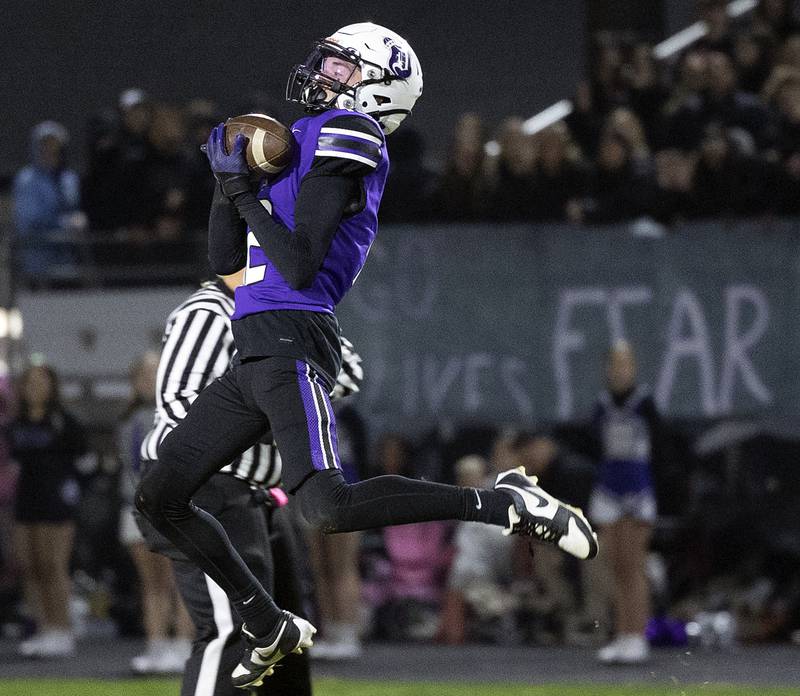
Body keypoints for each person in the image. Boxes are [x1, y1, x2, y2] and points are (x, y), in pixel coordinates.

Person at [135, 22, 598, 691]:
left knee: (325, 508)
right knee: (158, 497)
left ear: (377, 88)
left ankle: (501, 502)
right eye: (325, 60)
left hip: (295, 332)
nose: (322, 71)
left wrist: (242, 194)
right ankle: (267, 624)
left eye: (340, 66)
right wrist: (222, 183)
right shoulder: (308, 142)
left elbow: (297, 266)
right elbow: (225, 263)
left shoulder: (355, 135)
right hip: (257, 344)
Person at [135, 273, 364, 695]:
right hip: (206, 491)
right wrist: (283, 410)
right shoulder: (209, 313)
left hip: (257, 495)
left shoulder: (277, 315)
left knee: (289, 636)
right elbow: (181, 404)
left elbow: (349, 372)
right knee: (231, 633)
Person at [117, 352, 193, 674]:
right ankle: (157, 645)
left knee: (179, 581)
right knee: (152, 584)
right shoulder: (127, 421)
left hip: (172, 508)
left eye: (156, 374)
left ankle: (184, 645)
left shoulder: (183, 414)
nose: (149, 381)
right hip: (137, 507)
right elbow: (129, 467)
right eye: (144, 376)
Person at [8, 362, 87, 657]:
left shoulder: (63, 421)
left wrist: (71, 491)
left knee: (53, 566)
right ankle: (42, 627)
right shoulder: (17, 423)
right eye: (30, 382)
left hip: (55, 501)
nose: (36, 387)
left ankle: (62, 627)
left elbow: (81, 460)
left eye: (42, 382)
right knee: (30, 567)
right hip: (26, 500)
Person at [590, 340, 659, 664]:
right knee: (614, 566)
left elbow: (661, 448)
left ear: (633, 368)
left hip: (636, 490)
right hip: (609, 489)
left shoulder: (645, 404)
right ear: (607, 369)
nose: (620, 370)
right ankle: (621, 634)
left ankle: (637, 635)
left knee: (634, 566)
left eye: (626, 364)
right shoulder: (602, 405)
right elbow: (594, 446)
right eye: (614, 364)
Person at [12, 121, 86, 286]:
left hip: (68, 264)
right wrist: (64, 225)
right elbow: (28, 221)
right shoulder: (26, 180)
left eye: (54, 145)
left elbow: (74, 209)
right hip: (37, 266)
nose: (49, 150)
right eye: (44, 145)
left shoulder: (69, 179)